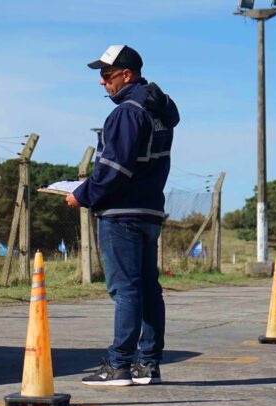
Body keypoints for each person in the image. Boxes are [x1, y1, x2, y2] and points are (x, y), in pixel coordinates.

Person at [65, 44, 179, 386]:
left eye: (106, 75)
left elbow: (114, 170)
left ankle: (119, 366)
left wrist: (82, 194)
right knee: (147, 290)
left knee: (125, 291)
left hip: (121, 214)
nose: (102, 82)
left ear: (126, 75)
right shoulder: (157, 111)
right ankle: (148, 364)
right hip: (148, 211)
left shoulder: (127, 112)